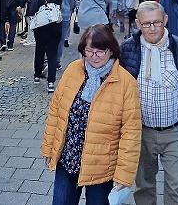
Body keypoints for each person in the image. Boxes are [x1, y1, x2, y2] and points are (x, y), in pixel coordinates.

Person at [41, 24, 142, 205]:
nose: (94, 56)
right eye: (89, 51)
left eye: (100, 51)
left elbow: (131, 134)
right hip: (68, 159)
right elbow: (56, 111)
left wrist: (124, 175)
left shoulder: (126, 83)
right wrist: (49, 147)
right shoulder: (73, 70)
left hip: (102, 167)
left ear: (111, 51)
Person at [119, 1, 178, 205]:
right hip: (142, 132)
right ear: (138, 24)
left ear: (165, 20)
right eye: (147, 23)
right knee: (144, 185)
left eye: (157, 22)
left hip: (174, 132)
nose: (152, 28)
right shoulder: (128, 50)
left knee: (176, 185)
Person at [26, 0, 63, 92]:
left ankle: (37, 75)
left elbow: (32, 10)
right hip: (56, 26)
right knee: (52, 54)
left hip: (42, 27)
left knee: (40, 50)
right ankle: (51, 82)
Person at [54, 0, 76, 69]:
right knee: (61, 40)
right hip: (66, 15)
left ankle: (49, 59)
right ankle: (57, 61)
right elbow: (72, 3)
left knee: (50, 39)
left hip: (52, 16)